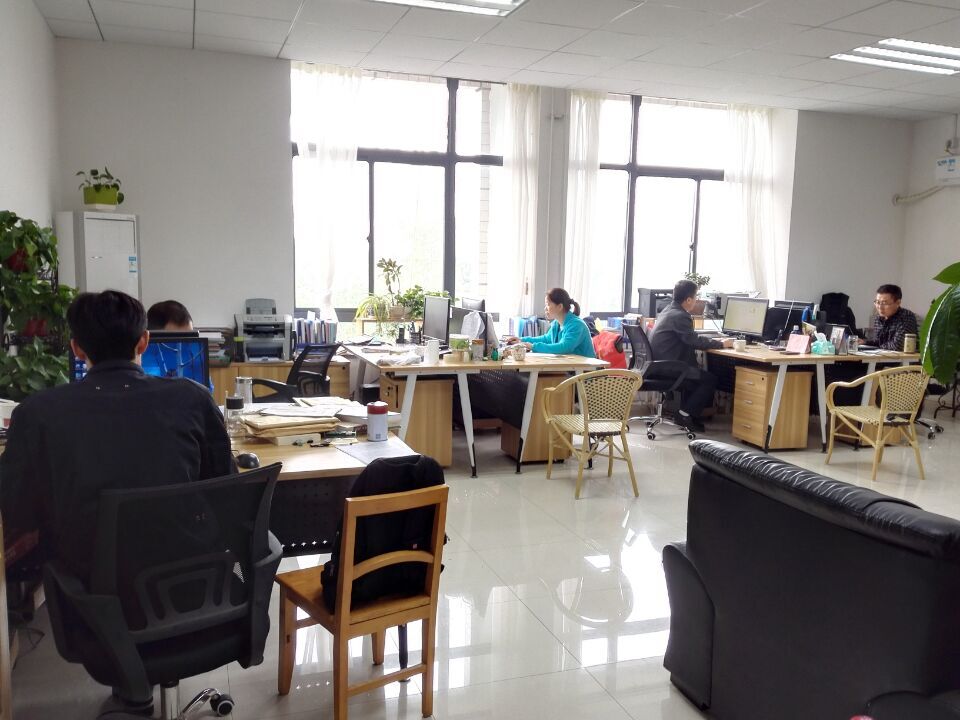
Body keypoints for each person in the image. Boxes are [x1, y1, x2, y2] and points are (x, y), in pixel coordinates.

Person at [0, 290, 235, 588]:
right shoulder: (194, 399)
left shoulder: (36, 414)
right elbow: (227, 488)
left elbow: (16, 509)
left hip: (90, 593)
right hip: (190, 584)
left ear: (77, 349)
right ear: (144, 341)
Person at [649, 279, 733, 432]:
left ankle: (686, 415)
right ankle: (684, 415)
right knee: (710, 379)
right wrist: (721, 344)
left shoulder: (668, 310)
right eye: (695, 297)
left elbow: (689, 338)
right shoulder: (680, 316)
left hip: (660, 365)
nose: (696, 300)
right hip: (669, 367)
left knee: (697, 373)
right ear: (688, 300)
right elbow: (694, 341)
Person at [505, 288, 596, 357]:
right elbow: (546, 339)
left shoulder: (576, 325)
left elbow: (564, 347)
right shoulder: (556, 324)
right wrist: (521, 340)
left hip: (586, 373)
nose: (545, 308)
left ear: (560, 307)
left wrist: (532, 346)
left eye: (548, 304)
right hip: (571, 369)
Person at [872, 284, 919, 351]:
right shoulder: (878, 318)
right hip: (882, 355)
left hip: (903, 357)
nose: (880, 307)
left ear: (898, 303)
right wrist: (865, 342)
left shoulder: (906, 317)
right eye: (877, 302)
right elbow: (878, 342)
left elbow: (898, 345)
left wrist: (878, 346)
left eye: (884, 303)